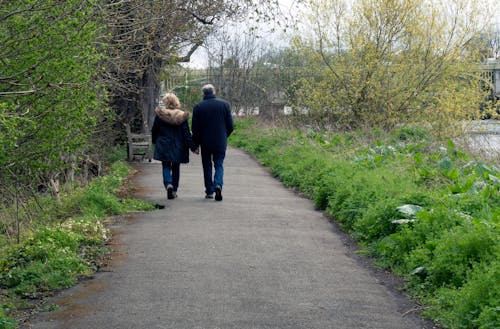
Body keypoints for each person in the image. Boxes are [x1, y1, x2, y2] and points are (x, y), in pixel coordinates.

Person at [191, 84, 234, 201]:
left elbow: (195, 128)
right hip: (220, 141)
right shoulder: (224, 104)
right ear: (214, 92)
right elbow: (230, 126)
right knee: (219, 164)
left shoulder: (198, 107)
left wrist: (195, 144)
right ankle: (218, 185)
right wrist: (225, 136)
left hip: (205, 142)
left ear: (203, 93)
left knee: (207, 166)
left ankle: (209, 191)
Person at [151, 93, 197, 200]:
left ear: (165, 102)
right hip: (178, 146)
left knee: (166, 165)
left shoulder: (161, 115)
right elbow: (186, 134)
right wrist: (193, 147)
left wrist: (154, 141)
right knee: (176, 167)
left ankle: (168, 184)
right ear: (176, 102)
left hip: (164, 144)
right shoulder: (182, 116)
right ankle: (174, 189)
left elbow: (154, 130)